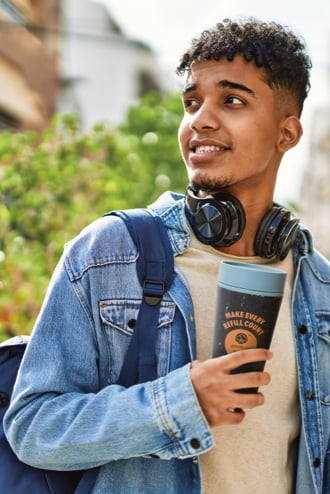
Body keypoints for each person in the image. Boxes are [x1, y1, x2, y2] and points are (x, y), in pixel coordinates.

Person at [4, 17, 329, 494]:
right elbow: (32, 427)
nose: (201, 120)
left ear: (287, 133)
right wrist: (178, 403)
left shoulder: (318, 287)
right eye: (192, 102)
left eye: (232, 100)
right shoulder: (111, 253)